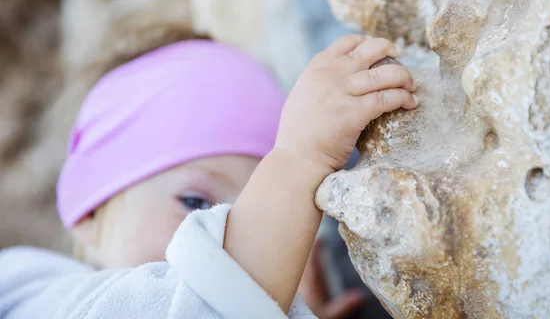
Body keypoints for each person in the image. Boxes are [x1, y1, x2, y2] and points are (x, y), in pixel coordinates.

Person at [0, 34, 418, 318]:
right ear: (90, 211)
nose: (226, 231)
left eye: (292, 233)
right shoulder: (29, 295)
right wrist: (297, 160)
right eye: (196, 203)